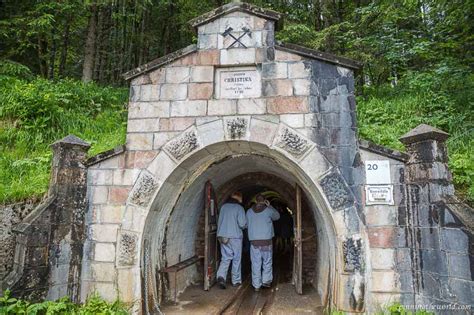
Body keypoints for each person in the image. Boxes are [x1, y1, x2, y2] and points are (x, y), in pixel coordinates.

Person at [246, 194, 280, 291]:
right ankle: (266, 281)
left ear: (256, 201)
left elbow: (246, 224)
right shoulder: (269, 210)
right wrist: (270, 206)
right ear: (264, 201)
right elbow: (277, 216)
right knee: (267, 261)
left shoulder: (249, 212)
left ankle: (256, 285)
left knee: (256, 263)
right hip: (266, 242)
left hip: (254, 243)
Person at [216, 191, 247, 289]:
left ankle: (221, 276)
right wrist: (246, 225)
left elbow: (219, 221)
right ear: (239, 198)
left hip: (222, 235)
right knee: (236, 259)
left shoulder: (223, 207)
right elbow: (242, 224)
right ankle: (236, 280)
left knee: (225, 258)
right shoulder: (239, 208)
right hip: (235, 236)